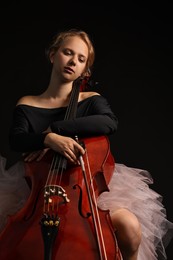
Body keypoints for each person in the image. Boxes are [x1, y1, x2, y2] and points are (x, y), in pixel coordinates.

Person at [0, 28, 173, 260]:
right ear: (53, 55)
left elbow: (108, 123)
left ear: (85, 69)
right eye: (67, 53)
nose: (73, 61)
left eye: (81, 59)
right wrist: (47, 139)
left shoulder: (89, 99)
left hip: (85, 187)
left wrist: (56, 129)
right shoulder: (29, 103)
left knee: (129, 227)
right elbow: (16, 139)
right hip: (38, 191)